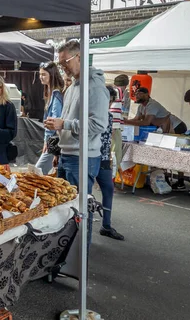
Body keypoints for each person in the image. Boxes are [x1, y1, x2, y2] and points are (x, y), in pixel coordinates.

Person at [44, 40, 109, 250]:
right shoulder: (72, 86)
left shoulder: (95, 86)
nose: (62, 66)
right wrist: (58, 146)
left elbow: (99, 124)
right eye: (60, 62)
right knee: (63, 208)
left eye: (65, 62)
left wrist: (66, 124)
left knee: (79, 210)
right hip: (67, 154)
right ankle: (63, 253)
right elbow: (68, 119)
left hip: (83, 157)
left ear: (79, 56)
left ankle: (79, 255)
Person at [95, 86, 125, 240]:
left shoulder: (109, 115)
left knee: (108, 189)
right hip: (92, 156)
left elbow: (108, 138)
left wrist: (110, 156)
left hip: (104, 157)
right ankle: (79, 227)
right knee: (82, 193)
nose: (109, 104)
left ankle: (106, 225)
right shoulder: (93, 114)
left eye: (111, 101)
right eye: (109, 100)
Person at [35, 62, 64, 174]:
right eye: (40, 74)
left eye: (44, 74)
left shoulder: (56, 93)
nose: (41, 77)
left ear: (52, 75)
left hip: (54, 139)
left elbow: (54, 119)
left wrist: (47, 141)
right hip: (53, 138)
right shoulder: (51, 92)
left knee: (37, 173)